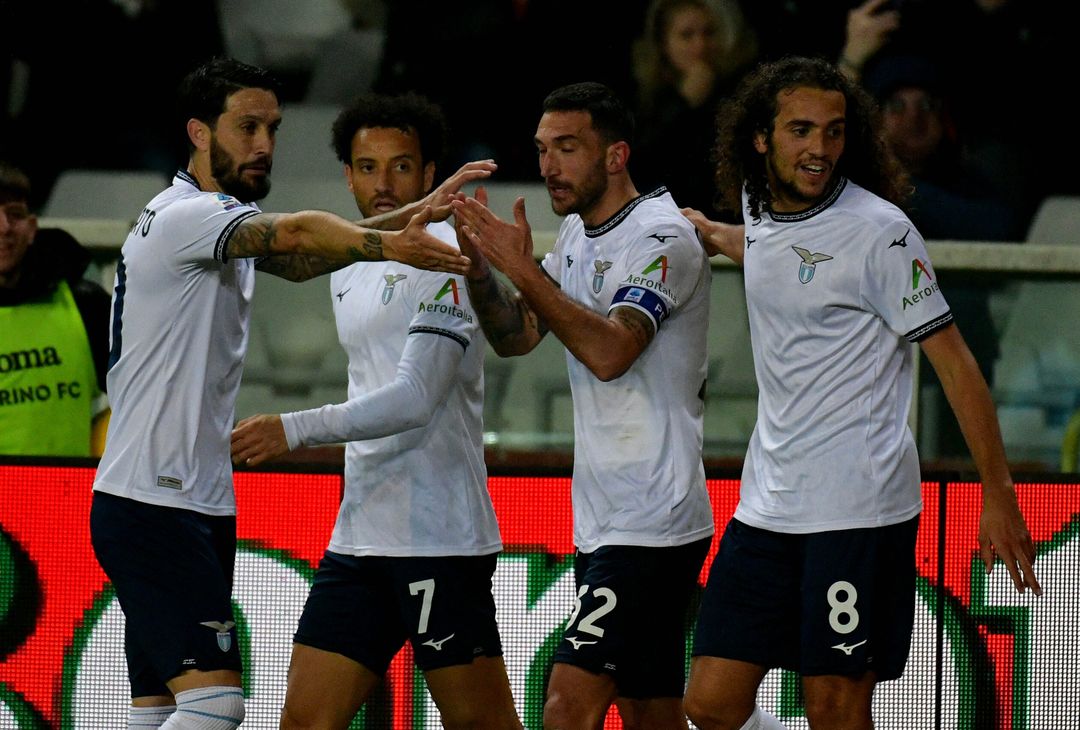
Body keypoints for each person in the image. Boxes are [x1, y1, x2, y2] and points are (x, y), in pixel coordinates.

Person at [88, 57, 491, 730]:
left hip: (192, 499)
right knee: (214, 708)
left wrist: (406, 218)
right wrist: (390, 245)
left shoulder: (218, 225)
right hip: (154, 498)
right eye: (246, 127)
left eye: (271, 127)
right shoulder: (192, 215)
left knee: (156, 711)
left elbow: (301, 258)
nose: (264, 144)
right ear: (197, 132)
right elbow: (300, 233)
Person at [680, 56, 1041, 730]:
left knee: (836, 707)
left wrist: (998, 494)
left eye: (834, 131)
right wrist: (718, 236)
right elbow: (778, 254)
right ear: (761, 139)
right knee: (709, 703)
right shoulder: (758, 205)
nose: (819, 148)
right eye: (801, 130)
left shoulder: (881, 233)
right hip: (768, 505)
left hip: (859, 508)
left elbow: (957, 365)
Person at [229, 92, 522, 729]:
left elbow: (414, 399)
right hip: (360, 538)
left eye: (400, 167)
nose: (382, 183)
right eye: (367, 168)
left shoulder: (447, 256)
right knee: (305, 722)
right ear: (347, 176)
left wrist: (292, 428)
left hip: (438, 540)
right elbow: (276, 254)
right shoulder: (351, 260)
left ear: (429, 173)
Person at [452, 81, 714, 729]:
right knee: (652, 712)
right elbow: (516, 337)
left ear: (617, 154)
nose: (548, 166)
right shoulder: (573, 235)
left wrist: (525, 271)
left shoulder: (664, 237)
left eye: (567, 148)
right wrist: (483, 270)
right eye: (542, 149)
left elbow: (612, 351)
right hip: (604, 520)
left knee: (568, 702)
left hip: (653, 519)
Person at [866, 53, 1023, 459]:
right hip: (868, 367)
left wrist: (904, 189)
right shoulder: (851, 188)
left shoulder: (970, 179)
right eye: (897, 107)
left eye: (927, 106)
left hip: (958, 359)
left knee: (956, 475)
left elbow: (998, 231)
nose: (913, 119)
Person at [0, 161, 111, 457]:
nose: (4, 228)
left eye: (14, 214)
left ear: (32, 228)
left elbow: (148, 396)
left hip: (61, 498)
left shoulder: (85, 306)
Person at [631, 0, 757, 213]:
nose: (701, 46)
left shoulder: (745, 91)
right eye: (686, 36)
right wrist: (683, 103)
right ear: (664, 43)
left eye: (709, 33)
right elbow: (640, 166)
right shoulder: (643, 100)